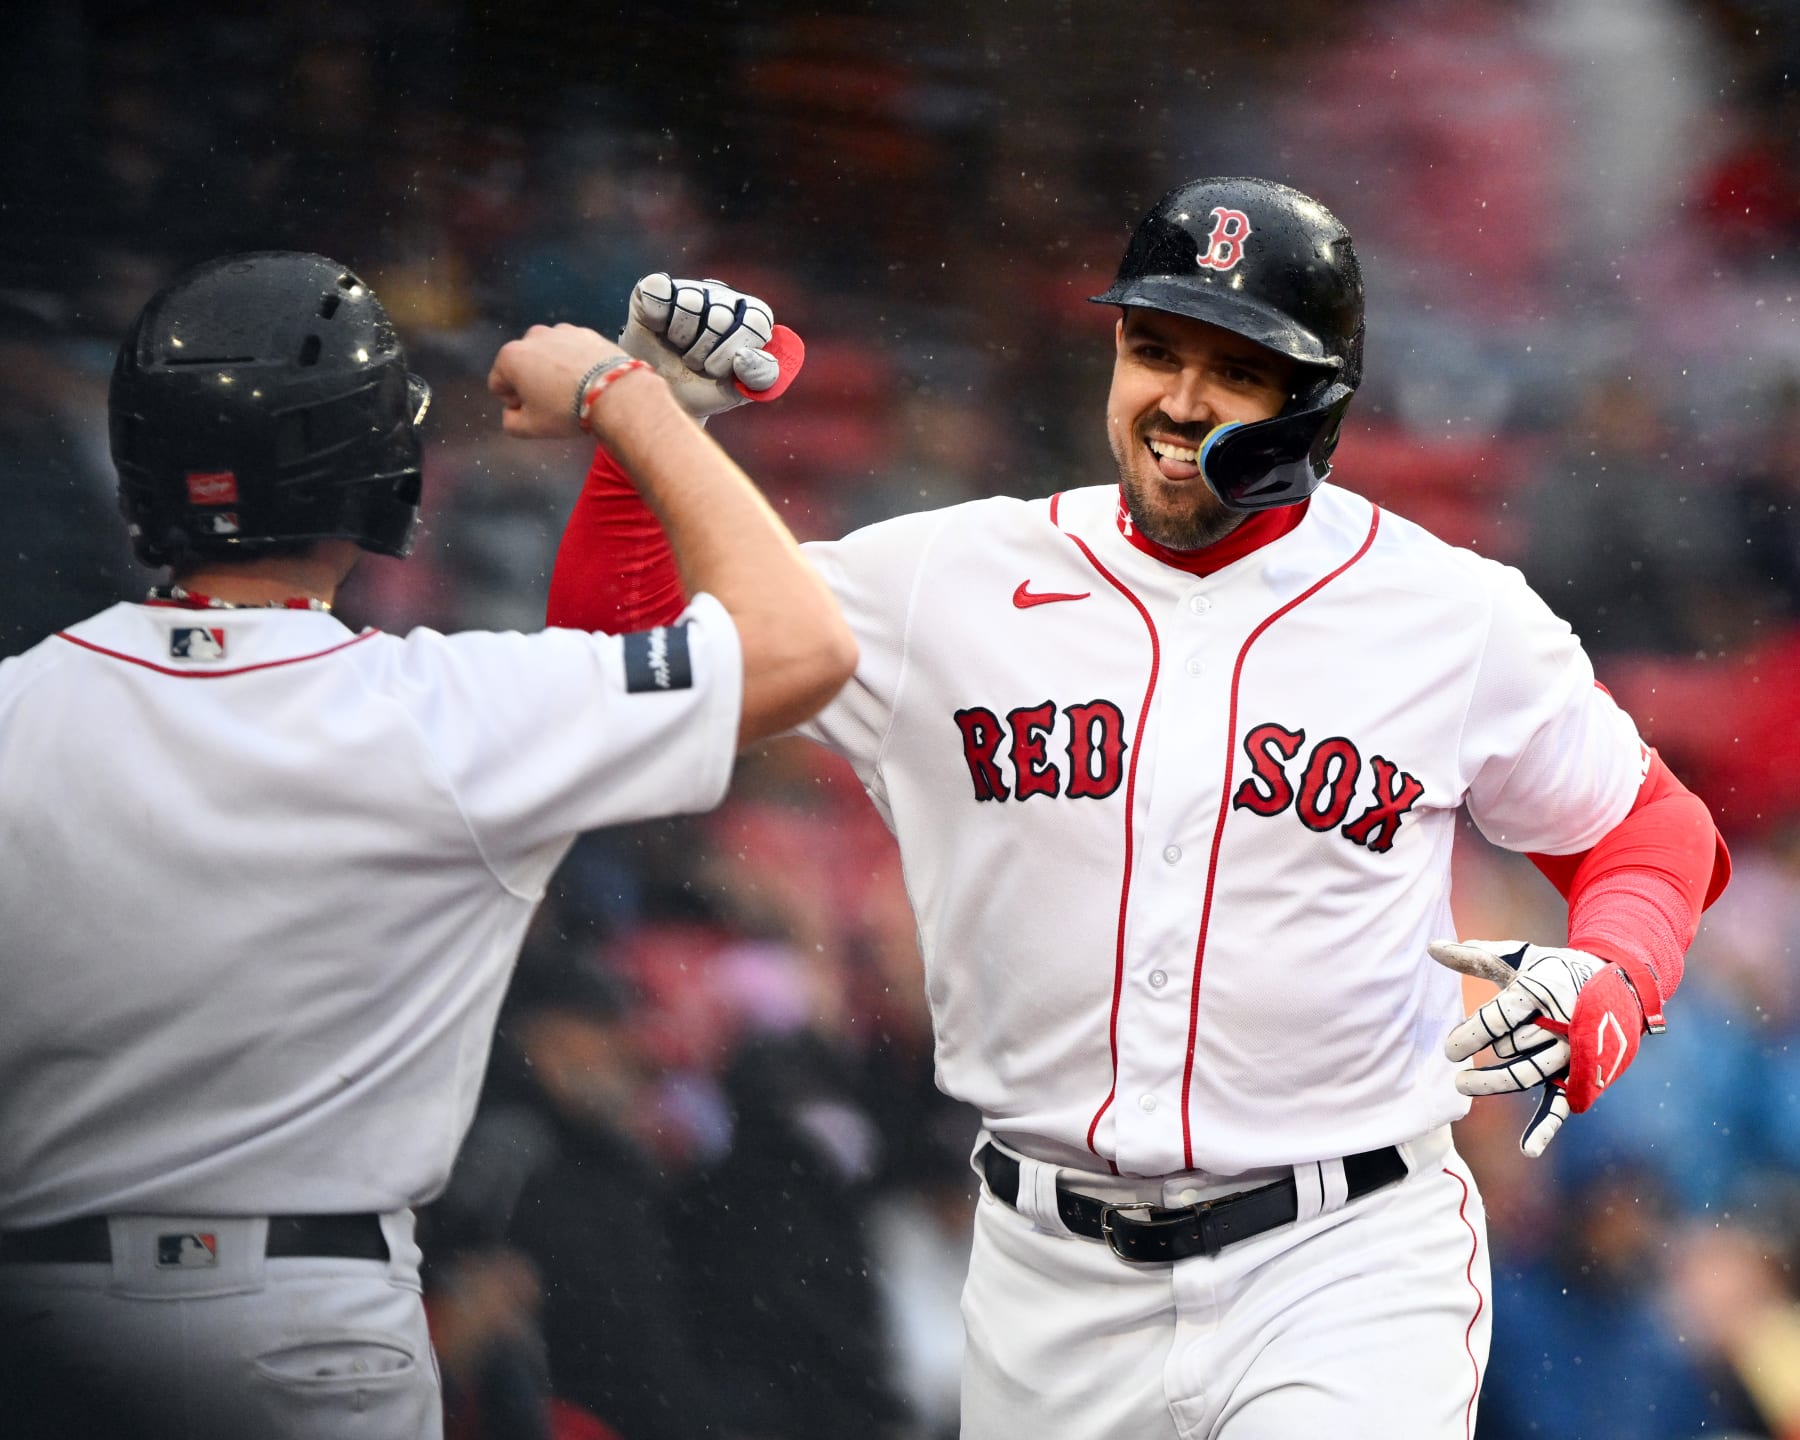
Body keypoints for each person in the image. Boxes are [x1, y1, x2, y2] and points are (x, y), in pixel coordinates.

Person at [541, 180, 1731, 1437]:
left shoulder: (1450, 613)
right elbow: (610, 676)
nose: (1179, 398)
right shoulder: (945, 579)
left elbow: (1651, 830)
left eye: (1236, 368)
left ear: (1315, 403)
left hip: (1344, 1260)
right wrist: (650, 436)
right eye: (1153, 348)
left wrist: (1613, 974)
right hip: (1046, 1274)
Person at [0, 250, 855, 1440]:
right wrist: (632, 403)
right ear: (379, 468)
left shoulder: (15, 709)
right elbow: (802, 645)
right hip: (305, 1327)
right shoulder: (443, 712)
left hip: (43, 1334)